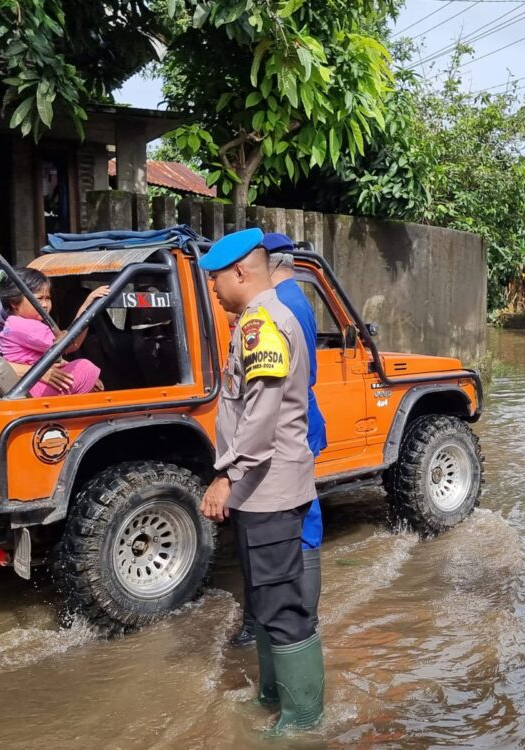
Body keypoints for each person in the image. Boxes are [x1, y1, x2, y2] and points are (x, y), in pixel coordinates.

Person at [198, 228, 324, 733]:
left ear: (240, 272)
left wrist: (226, 477)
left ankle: (303, 718)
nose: (212, 290)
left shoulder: (261, 323)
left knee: (281, 603)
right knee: (265, 596)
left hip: (267, 486)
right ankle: (274, 693)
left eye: (215, 280)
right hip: (262, 488)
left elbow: (262, 414)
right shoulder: (258, 319)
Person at [228, 232, 329, 648]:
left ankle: (294, 620)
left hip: (287, 425)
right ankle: (284, 620)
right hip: (297, 420)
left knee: (297, 525)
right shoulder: (291, 298)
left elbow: (278, 388)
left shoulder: (279, 305)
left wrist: (228, 472)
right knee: (295, 524)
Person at [0, 268, 106, 396]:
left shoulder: (13, 323)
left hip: (25, 385)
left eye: (47, 298)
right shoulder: (28, 327)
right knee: (85, 367)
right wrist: (86, 307)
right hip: (31, 388)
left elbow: (70, 344)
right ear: (14, 303)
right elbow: (69, 344)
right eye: (38, 299)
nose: (45, 305)